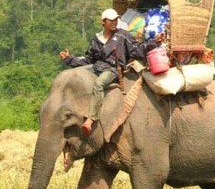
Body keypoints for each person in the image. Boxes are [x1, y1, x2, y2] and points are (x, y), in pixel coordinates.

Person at [59, 8, 165, 136]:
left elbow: (137, 49)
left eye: (116, 20)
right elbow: (88, 60)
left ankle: (91, 118)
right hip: (97, 66)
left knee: (99, 84)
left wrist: (154, 42)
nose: (114, 22)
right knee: (76, 74)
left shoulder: (122, 35)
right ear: (103, 22)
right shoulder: (96, 39)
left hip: (112, 69)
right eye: (111, 20)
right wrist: (69, 59)